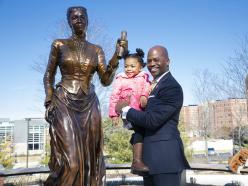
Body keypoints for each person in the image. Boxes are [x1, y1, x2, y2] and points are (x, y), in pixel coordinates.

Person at [43, 6, 127, 186]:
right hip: (64, 101)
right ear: (69, 22)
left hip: (89, 104)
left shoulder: (96, 50)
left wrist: (116, 57)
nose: (78, 19)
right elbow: (48, 75)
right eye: (74, 17)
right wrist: (49, 100)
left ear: (87, 20)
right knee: (72, 163)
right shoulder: (59, 44)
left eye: (82, 16)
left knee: (90, 163)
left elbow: (105, 80)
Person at [116, 45, 190, 186]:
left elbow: (152, 120)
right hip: (148, 160)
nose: (152, 64)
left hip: (165, 160)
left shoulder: (171, 86)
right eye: (149, 61)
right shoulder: (152, 85)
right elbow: (144, 120)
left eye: (156, 60)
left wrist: (125, 110)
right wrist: (128, 121)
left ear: (167, 61)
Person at [109, 48, 151, 175]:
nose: (128, 69)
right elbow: (114, 96)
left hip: (141, 110)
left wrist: (144, 96)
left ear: (140, 67)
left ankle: (135, 143)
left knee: (142, 132)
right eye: (126, 66)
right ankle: (137, 161)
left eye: (132, 66)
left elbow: (147, 87)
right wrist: (113, 114)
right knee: (140, 130)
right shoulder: (121, 79)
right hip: (128, 112)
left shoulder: (144, 77)